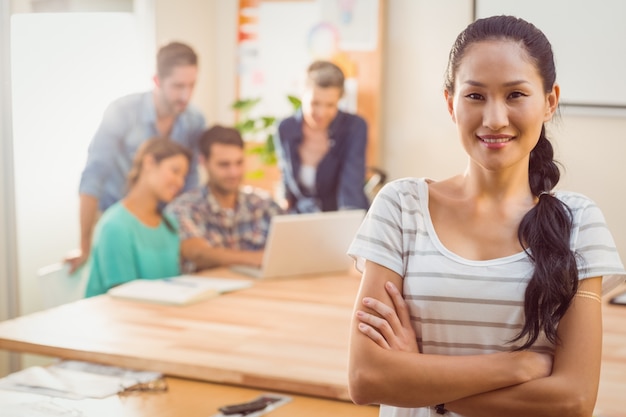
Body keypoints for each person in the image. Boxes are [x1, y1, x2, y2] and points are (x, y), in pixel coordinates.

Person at [347, 15, 626, 417]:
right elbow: (366, 378)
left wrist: (421, 383)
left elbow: (572, 399)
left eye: (515, 95)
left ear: (549, 102)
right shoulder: (401, 207)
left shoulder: (580, 222)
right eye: (475, 96)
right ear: (450, 103)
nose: (495, 119)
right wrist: (518, 365)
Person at [67, 41, 206, 273]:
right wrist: (84, 245)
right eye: (178, 86)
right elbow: (93, 176)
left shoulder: (194, 120)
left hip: (160, 224)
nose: (186, 95)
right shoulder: (122, 112)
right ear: (157, 81)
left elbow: (190, 186)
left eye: (192, 85)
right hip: (117, 217)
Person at [166, 125, 284, 271]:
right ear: (203, 162)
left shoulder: (263, 205)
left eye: (239, 163)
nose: (234, 172)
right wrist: (257, 258)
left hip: (262, 290)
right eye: (224, 165)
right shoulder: (185, 208)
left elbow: (291, 244)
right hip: (209, 291)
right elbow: (198, 253)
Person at [85, 138, 191, 297]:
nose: (180, 182)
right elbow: (125, 296)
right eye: (175, 171)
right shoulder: (115, 226)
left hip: (161, 313)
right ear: (149, 163)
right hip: (118, 317)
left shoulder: (169, 224)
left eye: (184, 176)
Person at [275, 60, 369, 213]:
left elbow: (351, 186)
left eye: (330, 105)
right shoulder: (285, 128)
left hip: (340, 215)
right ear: (301, 95)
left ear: (340, 100)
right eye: (315, 103)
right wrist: (283, 201)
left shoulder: (354, 127)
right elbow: (286, 177)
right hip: (302, 217)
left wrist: (349, 225)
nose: (322, 113)